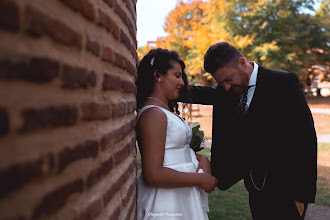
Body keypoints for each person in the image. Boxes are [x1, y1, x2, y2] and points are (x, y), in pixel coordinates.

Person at [188, 42, 317, 219]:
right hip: (256, 189)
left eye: (228, 79)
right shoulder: (230, 89)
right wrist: (165, 84)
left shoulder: (283, 83)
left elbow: (305, 140)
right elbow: (203, 93)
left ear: (242, 63)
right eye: (221, 82)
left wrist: (301, 196)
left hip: (287, 191)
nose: (226, 87)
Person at [135, 48, 218, 220]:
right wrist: (199, 180)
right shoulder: (153, 114)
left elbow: (171, 150)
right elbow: (153, 174)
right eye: (177, 75)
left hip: (181, 194)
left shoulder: (163, 111)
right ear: (158, 76)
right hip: (166, 201)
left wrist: (201, 158)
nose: (182, 82)